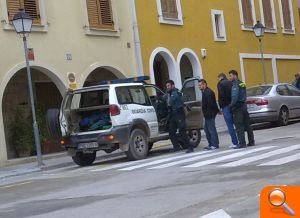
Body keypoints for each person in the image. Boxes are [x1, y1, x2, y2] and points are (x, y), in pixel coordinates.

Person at [165, 80, 194, 153]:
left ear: (173, 85)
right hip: (173, 115)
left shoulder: (176, 93)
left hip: (179, 114)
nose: (167, 87)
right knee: (171, 131)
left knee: (182, 131)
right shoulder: (170, 93)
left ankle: (190, 147)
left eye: (168, 86)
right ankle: (176, 146)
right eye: (166, 86)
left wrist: (167, 96)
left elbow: (170, 102)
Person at [228, 70, 255, 149]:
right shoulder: (242, 83)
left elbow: (235, 97)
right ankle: (251, 141)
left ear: (235, 76)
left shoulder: (235, 85)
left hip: (238, 107)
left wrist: (230, 105)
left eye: (230, 76)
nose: (229, 78)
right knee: (247, 125)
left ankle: (242, 143)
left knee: (239, 126)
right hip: (244, 106)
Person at [217, 73, 239, 149]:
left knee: (230, 125)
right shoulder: (231, 82)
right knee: (236, 123)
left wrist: (221, 106)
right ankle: (240, 141)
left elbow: (221, 95)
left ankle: (235, 142)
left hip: (225, 106)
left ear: (220, 77)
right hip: (232, 105)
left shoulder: (220, 84)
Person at [199, 79, 220, 150]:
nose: (199, 86)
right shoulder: (205, 92)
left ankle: (214, 144)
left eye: (200, 85)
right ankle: (211, 143)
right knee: (207, 129)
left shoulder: (208, 92)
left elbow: (212, 103)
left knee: (211, 129)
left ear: (204, 84)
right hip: (207, 113)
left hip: (209, 113)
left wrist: (217, 110)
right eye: (199, 85)